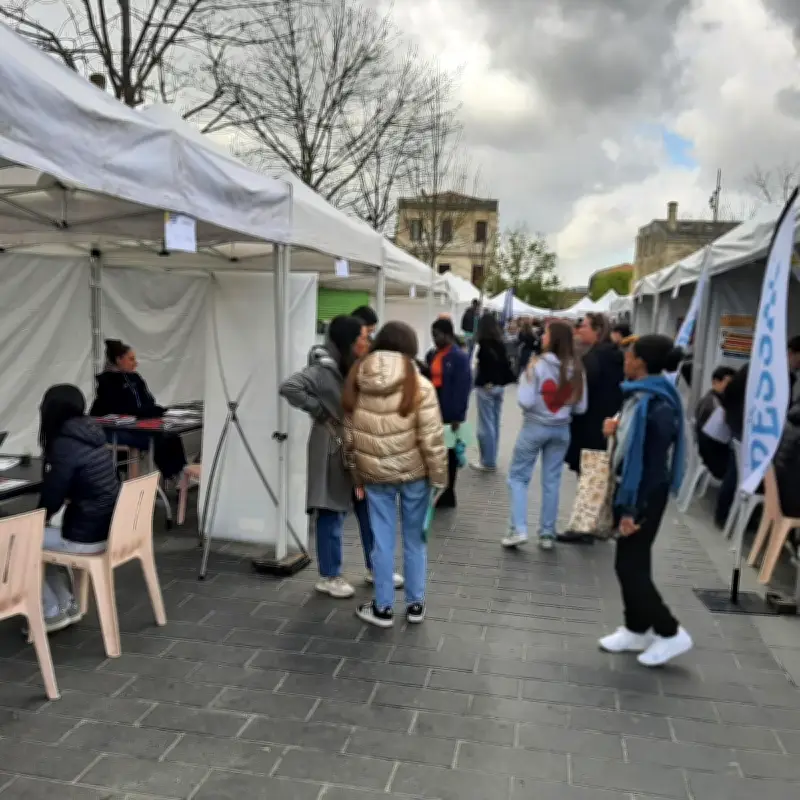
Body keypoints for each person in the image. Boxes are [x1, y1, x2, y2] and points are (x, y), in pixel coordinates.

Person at [343, 322, 447, 627]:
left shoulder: (356, 378)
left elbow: (349, 436)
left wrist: (355, 473)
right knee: (415, 541)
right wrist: (439, 477)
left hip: (374, 476)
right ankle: (415, 605)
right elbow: (432, 437)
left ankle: (383, 608)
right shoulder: (420, 384)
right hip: (416, 474)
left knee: (382, 540)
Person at [598, 334, 692, 667]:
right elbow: (631, 441)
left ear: (642, 362)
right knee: (630, 563)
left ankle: (669, 631)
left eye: (630, 354)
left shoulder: (657, 404)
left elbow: (652, 464)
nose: (625, 358)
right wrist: (615, 429)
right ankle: (636, 627)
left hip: (645, 495)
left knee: (631, 566)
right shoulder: (640, 397)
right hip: (633, 490)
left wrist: (633, 511)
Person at [38, 385, 120, 632]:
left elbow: (52, 498)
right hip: (105, 529)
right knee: (38, 537)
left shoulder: (64, 443)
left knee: (17, 539)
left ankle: (49, 610)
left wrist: (38, 518)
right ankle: (66, 602)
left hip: (85, 536)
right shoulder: (91, 432)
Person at [504, 321, 587, 551]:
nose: (542, 337)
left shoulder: (537, 365)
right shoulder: (577, 368)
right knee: (552, 481)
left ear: (552, 339)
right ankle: (547, 533)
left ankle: (518, 528)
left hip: (534, 427)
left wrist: (527, 380)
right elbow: (581, 407)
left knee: (518, 478)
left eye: (546, 334)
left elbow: (526, 400)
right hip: (561, 430)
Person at [560, 312, 624, 544]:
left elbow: (583, 388)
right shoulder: (613, 354)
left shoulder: (595, 357)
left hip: (592, 421)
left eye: (583, 326)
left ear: (597, 330)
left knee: (589, 474)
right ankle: (597, 523)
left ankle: (585, 526)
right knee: (598, 474)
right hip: (606, 421)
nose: (579, 330)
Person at [90, 339, 187, 480]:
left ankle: (178, 475)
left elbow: (148, 400)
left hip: (137, 425)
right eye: (131, 359)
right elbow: (118, 409)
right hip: (115, 431)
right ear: (119, 360)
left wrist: (151, 410)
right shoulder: (106, 382)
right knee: (158, 438)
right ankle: (175, 475)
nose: (135, 363)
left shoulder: (135, 378)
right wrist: (146, 412)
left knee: (172, 435)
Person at [426, 318, 471, 508]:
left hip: (449, 411)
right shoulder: (432, 354)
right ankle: (437, 487)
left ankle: (449, 491)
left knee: (450, 453)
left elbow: (463, 387)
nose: (435, 339)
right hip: (432, 408)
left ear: (448, 334)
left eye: (437, 335)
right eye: (433, 335)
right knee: (436, 450)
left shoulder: (458, 357)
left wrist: (458, 416)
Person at [472, 313, 516, 472]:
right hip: (499, 387)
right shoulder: (500, 343)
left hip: (486, 387)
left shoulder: (483, 345)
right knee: (495, 423)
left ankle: (487, 460)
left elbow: (481, 366)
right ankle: (492, 457)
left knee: (485, 425)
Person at [694, 366, 736, 481]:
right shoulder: (713, 405)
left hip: (710, 456)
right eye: (728, 383)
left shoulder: (710, 400)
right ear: (715, 382)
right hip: (716, 460)